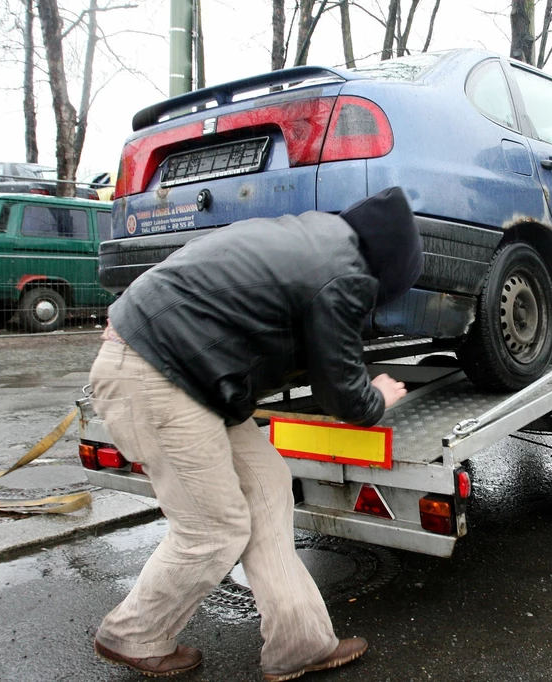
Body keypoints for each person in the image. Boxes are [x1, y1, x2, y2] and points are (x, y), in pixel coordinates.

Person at [87, 187, 423, 680]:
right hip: (159, 376)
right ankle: (133, 633)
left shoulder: (315, 237)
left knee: (267, 486)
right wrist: (379, 395)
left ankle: (299, 643)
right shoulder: (346, 274)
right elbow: (344, 395)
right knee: (214, 528)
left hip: (186, 374)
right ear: (390, 270)